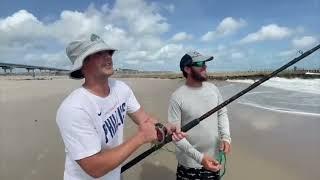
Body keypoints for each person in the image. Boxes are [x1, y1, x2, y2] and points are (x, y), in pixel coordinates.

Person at [56, 34, 186, 180]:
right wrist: (141, 137)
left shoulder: (121, 88)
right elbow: (95, 168)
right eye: (98, 53)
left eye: (108, 52)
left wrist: (163, 130)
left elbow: (145, 120)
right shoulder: (73, 109)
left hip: (115, 174)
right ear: (82, 64)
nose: (108, 57)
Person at [168, 51, 231, 180]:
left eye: (205, 63)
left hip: (214, 159)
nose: (205, 66)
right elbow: (176, 136)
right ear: (187, 69)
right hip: (189, 164)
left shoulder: (213, 89)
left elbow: (222, 113)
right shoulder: (177, 97)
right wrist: (200, 158)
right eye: (200, 63)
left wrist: (226, 137)